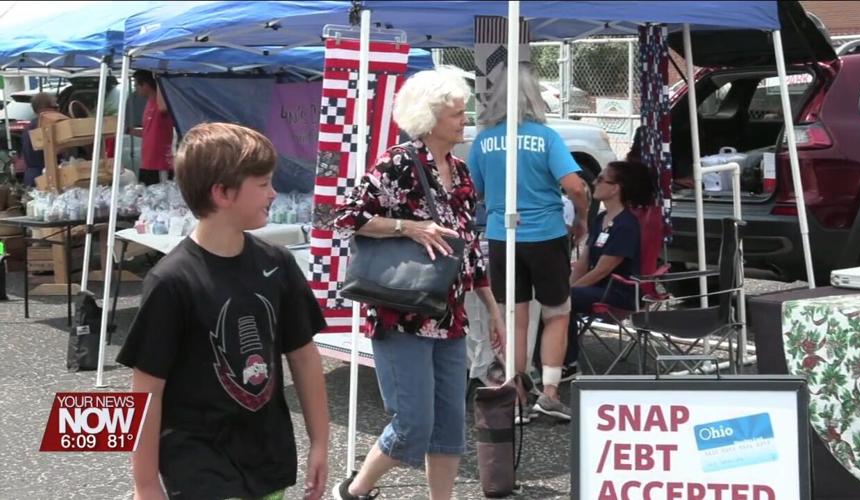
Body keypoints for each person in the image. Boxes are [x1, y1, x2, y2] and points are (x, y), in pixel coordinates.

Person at [117, 122, 330, 500]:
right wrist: (145, 483)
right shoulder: (171, 281)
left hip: (267, 458)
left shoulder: (277, 264)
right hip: (199, 463)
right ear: (223, 193)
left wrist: (320, 443)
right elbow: (146, 390)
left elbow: (304, 355)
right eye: (263, 184)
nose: (274, 193)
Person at [333, 66, 505, 500]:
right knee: (413, 424)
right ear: (429, 119)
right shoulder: (398, 163)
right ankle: (353, 492)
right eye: (456, 114)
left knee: (449, 427)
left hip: (450, 318)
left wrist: (494, 311)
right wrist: (408, 228)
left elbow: (470, 249)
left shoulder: (463, 172)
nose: (465, 120)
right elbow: (346, 218)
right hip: (401, 313)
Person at [467, 63, 589, 423]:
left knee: (513, 317)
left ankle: (515, 395)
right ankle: (549, 392)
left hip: (501, 235)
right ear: (535, 97)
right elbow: (576, 186)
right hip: (547, 233)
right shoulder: (546, 137)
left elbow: (473, 190)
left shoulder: (483, 140)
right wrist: (581, 218)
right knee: (557, 313)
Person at [566, 160, 655, 363]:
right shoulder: (601, 218)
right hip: (596, 288)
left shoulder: (626, 225)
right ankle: (552, 356)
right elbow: (583, 261)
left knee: (561, 300)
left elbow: (601, 270)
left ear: (615, 188)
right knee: (554, 295)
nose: (594, 183)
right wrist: (566, 285)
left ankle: (567, 360)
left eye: (600, 179)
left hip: (619, 292)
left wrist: (566, 291)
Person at [130, 70, 174, 185]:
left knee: (162, 198)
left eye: (136, 85)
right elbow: (148, 132)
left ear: (145, 85)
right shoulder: (148, 103)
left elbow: (163, 108)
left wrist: (158, 78)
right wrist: (130, 131)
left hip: (160, 164)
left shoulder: (161, 103)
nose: (136, 89)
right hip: (147, 163)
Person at [20, 92, 58, 187]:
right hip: (44, 177)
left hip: (31, 176)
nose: (57, 110)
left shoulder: (29, 127)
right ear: (43, 107)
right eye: (55, 106)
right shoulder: (47, 127)